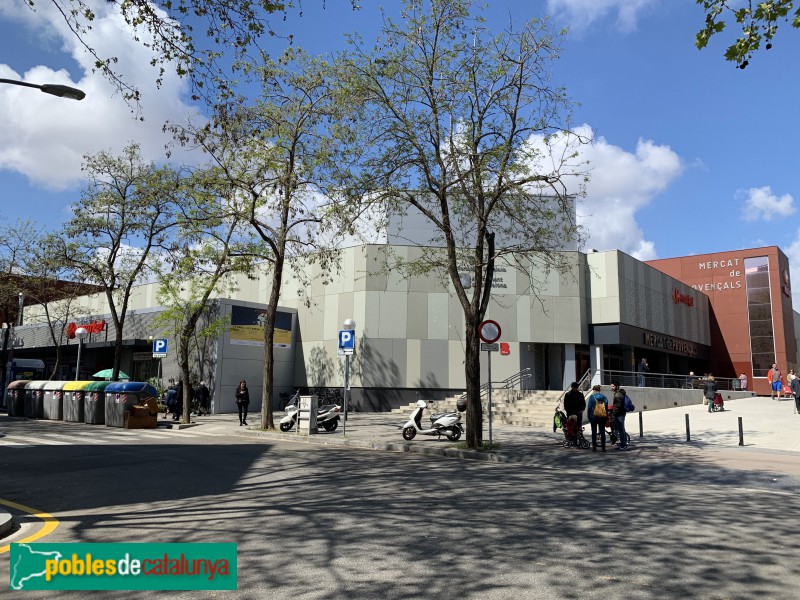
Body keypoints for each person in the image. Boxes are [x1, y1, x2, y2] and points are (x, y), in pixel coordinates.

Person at [586, 384, 609, 452]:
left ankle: (594, 447)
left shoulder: (592, 397)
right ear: (599, 390)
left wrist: (589, 416)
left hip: (593, 416)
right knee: (602, 431)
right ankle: (603, 448)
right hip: (602, 417)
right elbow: (606, 408)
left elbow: (589, 407)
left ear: (594, 390)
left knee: (594, 431)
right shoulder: (604, 397)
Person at [610, 382, 629, 450]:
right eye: (611, 386)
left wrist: (613, 413)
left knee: (621, 430)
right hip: (620, 413)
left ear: (617, 386)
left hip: (619, 414)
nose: (611, 388)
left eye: (613, 386)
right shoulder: (619, 393)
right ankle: (623, 444)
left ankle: (623, 445)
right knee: (621, 429)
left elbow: (617, 406)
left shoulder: (618, 394)